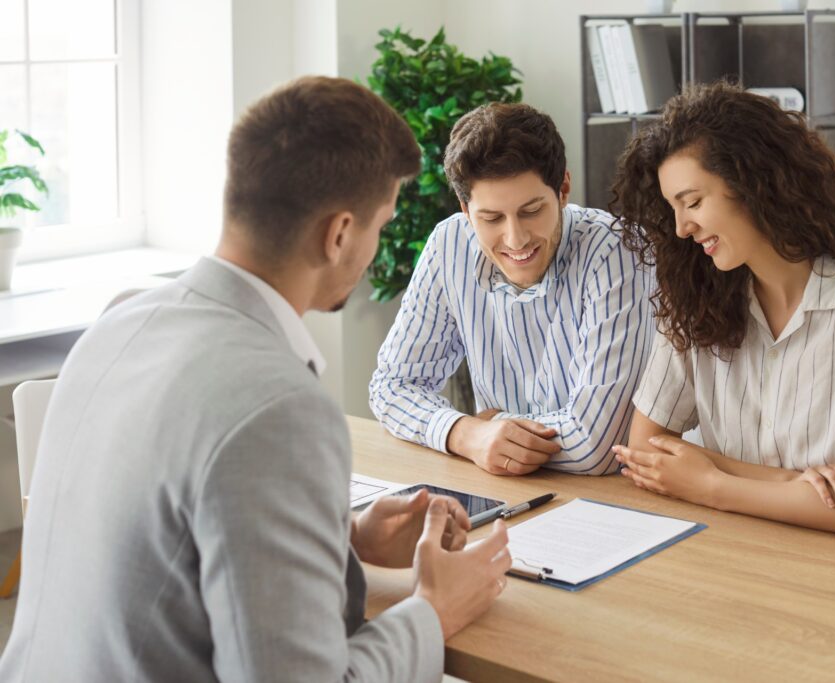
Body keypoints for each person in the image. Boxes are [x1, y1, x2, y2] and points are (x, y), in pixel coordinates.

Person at [0, 77, 511, 683]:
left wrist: (340, 537)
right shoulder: (278, 408)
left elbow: (163, 532)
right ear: (340, 233)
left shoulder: (119, 321)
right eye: (379, 226)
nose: (374, 249)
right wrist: (434, 610)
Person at [610, 82, 835, 543]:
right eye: (673, 208)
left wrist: (712, 484)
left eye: (693, 202)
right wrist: (791, 482)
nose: (681, 228)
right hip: (764, 545)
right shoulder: (697, 296)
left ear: (755, 184)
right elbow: (645, 452)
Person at [370, 103, 653, 477]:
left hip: (614, 502)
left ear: (563, 189)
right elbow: (391, 387)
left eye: (531, 210)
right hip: (504, 489)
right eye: (491, 218)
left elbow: (595, 446)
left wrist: (495, 426)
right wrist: (467, 433)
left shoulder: (617, 250)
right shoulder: (449, 243)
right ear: (466, 209)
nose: (515, 238)